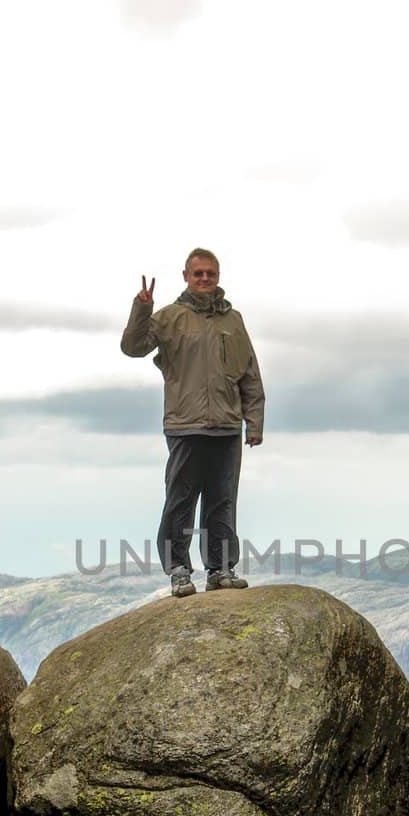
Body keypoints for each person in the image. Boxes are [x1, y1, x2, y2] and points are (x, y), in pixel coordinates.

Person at [121, 247, 264, 597]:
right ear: (185, 276)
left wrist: (254, 422)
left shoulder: (234, 320)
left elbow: (250, 373)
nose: (204, 278)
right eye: (198, 273)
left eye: (210, 273)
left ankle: (221, 569)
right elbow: (133, 346)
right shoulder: (169, 317)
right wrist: (142, 308)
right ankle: (179, 571)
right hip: (185, 424)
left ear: (218, 277)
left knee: (223, 501)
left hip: (227, 426)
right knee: (181, 500)